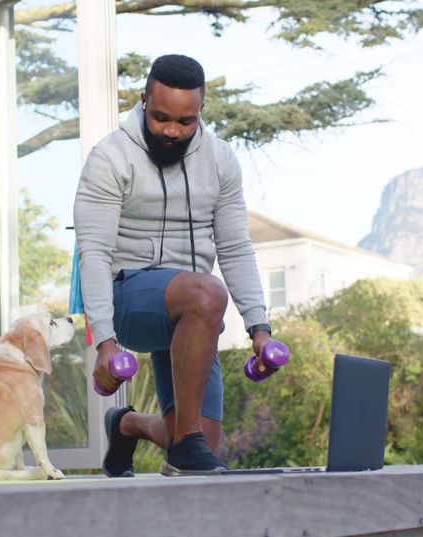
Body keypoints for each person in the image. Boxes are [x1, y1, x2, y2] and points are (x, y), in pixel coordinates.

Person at [73, 54, 276, 477]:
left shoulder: (220, 161)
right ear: (144, 100)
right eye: (161, 117)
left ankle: (127, 425)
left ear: (201, 111)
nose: (171, 130)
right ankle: (185, 447)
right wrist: (106, 343)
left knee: (205, 436)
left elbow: (236, 246)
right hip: (129, 295)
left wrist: (259, 329)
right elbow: (92, 252)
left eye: (184, 121)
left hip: (193, 313)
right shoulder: (110, 157)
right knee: (207, 290)